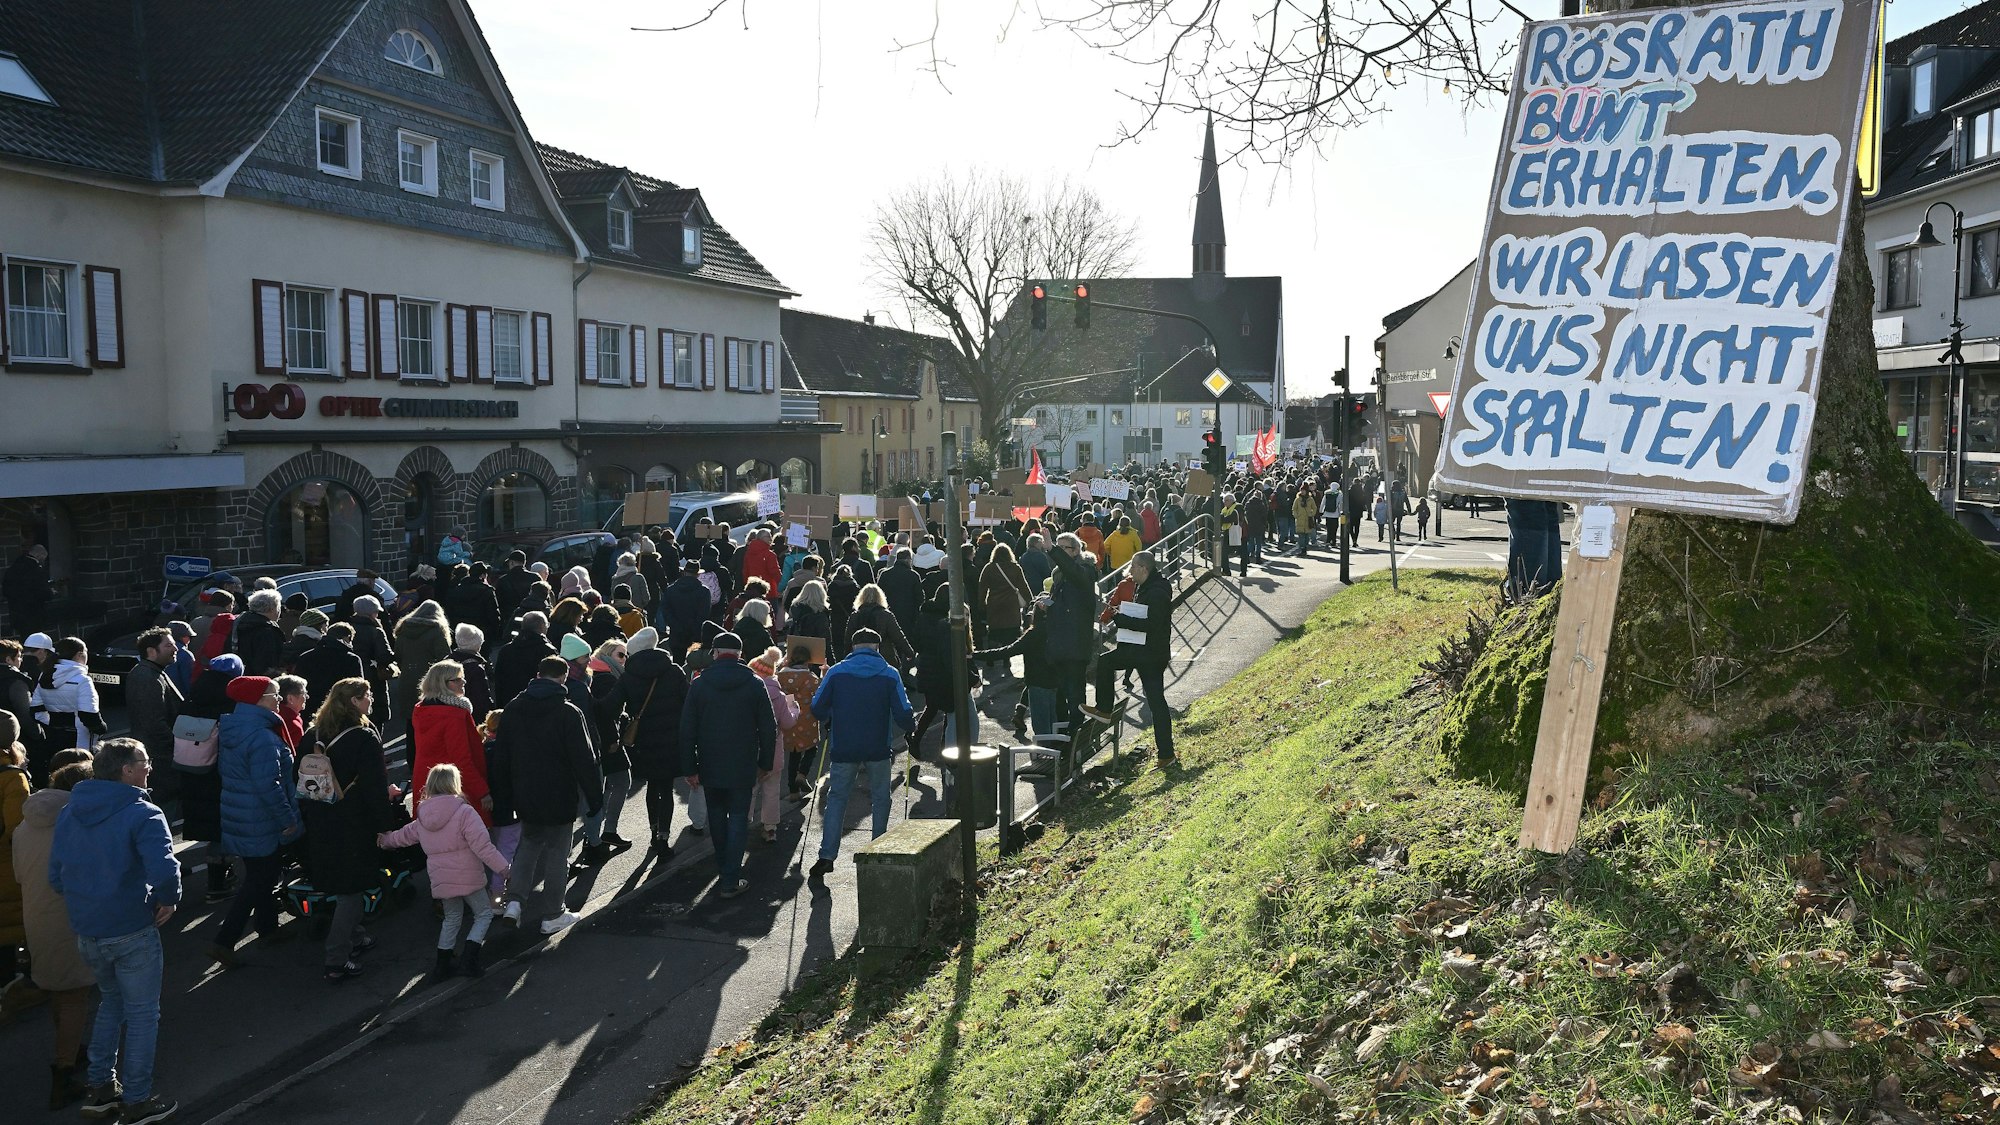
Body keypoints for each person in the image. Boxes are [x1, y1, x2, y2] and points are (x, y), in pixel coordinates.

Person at [48, 738, 181, 1125]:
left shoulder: (71, 810)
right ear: (126, 770)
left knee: (111, 1003)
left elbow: (56, 877)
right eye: (144, 761)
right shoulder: (144, 812)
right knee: (142, 1015)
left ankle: (101, 1088)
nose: (150, 767)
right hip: (130, 928)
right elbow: (165, 869)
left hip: (88, 931)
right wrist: (167, 900)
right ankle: (137, 1100)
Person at [295, 679, 393, 984]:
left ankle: (357, 935)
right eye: (368, 696)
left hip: (320, 818)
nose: (371, 701)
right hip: (353, 821)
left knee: (339, 881)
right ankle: (336, 959)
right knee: (352, 889)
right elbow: (374, 786)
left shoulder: (313, 734)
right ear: (354, 702)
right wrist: (385, 826)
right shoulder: (363, 737)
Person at [495, 655, 600, 934]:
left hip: (524, 792)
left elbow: (501, 756)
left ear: (537, 675)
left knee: (527, 846)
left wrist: (503, 797)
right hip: (559, 793)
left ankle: (515, 902)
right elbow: (584, 760)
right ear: (563, 678)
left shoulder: (514, 708)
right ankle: (553, 913)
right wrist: (594, 796)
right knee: (557, 852)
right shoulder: (568, 712)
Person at [379, 765, 511, 980]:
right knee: (483, 914)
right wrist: (504, 869)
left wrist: (384, 840)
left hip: (442, 879)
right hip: (468, 876)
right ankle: (469, 959)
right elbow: (484, 847)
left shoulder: (423, 816)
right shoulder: (464, 812)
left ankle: (443, 964)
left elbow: (403, 836)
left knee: (451, 918)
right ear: (454, 784)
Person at [14, 759, 95, 1108]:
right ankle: (63, 1073)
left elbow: (19, 874)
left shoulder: (24, 824)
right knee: (75, 993)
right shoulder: (75, 823)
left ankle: (73, 1048)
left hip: (35, 916)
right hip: (68, 917)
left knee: (57, 991)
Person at [806, 629, 913, 887]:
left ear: (853, 647)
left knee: (837, 798)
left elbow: (817, 707)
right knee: (881, 797)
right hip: (878, 745)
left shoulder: (836, 673)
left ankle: (827, 855)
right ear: (877, 647)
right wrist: (910, 725)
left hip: (844, 745)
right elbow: (903, 712)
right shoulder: (889, 673)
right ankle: (877, 848)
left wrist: (835, 711)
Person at [207, 676, 301, 969]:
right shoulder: (262, 736)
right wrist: (287, 819)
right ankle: (224, 940)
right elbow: (269, 785)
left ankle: (268, 927)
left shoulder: (234, 727)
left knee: (261, 872)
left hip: (240, 814)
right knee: (261, 878)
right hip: (261, 817)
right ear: (258, 699)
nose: (278, 699)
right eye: (274, 694)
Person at [678, 633, 775, 898]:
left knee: (717, 817)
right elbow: (768, 727)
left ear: (716, 653)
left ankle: (724, 867)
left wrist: (690, 767)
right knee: (739, 819)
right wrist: (765, 762)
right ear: (740, 654)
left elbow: (687, 729)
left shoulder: (700, 684)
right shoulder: (755, 683)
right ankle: (731, 876)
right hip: (743, 763)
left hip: (710, 761)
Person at [1081, 551, 1176, 766]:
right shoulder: (1149, 587)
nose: (1130, 571)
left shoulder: (1157, 592)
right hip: (1147, 651)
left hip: (1148, 653)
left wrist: (1121, 619)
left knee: (1106, 662)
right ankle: (1166, 754)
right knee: (1156, 703)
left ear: (1144, 568)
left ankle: (1104, 709)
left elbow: (1151, 624)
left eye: (1133, 567)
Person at [609, 628, 690, 853]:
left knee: (653, 786)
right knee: (667, 787)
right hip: (671, 737)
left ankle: (654, 830)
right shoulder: (674, 671)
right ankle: (663, 837)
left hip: (644, 740)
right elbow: (688, 703)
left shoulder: (629, 675)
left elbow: (610, 705)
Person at [410, 661, 490, 823]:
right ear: (444, 683)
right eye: (458, 679)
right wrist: (482, 791)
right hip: (452, 785)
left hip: (427, 782)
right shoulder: (454, 715)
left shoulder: (420, 709)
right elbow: (462, 759)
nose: (463, 683)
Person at [580, 637, 633, 865]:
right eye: (621, 654)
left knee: (607, 786)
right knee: (619, 783)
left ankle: (596, 835)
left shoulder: (599, 673)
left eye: (626, 655)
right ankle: (602, 833)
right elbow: (605, 713)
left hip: (602, 740)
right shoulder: (607, 678)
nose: (624, 659)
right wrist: (614, 738)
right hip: (608, 741)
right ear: (608, 654)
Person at [1044, 534, 1098, 749]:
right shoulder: (1060, 576)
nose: (1059, 551)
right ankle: (1064, 737)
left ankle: (1078, 736)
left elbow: (1076, 575)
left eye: (1063, 548)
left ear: (1075, 551)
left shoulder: (1086, 571)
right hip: (1059, 644)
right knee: (1060, 693)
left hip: (1074, 644)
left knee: (1075, 693)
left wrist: (1053, 551)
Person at [745, 647, 799, 844]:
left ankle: (743, 822)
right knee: (772, 789)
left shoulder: (747, 690)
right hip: (773, 748)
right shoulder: (778, 693)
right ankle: (769, 828)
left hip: (750, 749)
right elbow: (788, 723)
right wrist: (795, 710)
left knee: (749, 789)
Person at [33, 637, 106, 781]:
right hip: (80, 738)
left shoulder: (45, 675)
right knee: (81, 775)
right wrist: (102, 729)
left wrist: (52, 723)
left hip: (55, 735)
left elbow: (35, 709)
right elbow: (89, 715)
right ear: (79, 655)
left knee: (59, 776)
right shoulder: (83, 680)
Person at [391, 600, 452, 733]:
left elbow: (398, 656)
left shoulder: (403, 629)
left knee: (411, 723)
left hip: (406, 679)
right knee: (429, 726)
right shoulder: (437, 631)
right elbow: (445, 659)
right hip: (429, 682)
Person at [776, 644, 823, 796]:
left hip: (789, 718)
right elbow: (821, 693)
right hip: (807, 720)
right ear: (807, 661)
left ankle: (793, 792)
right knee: (812, 748)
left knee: (794, 754)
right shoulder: (810, 678)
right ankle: (802, 774)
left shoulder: (780, 676)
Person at [492, 611, 556, 707]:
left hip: (509, 702)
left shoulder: (506, 650)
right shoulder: (547, 651)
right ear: (542, 626)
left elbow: (498, 680)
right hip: (538, 704)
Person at [348, 596, 394, 727]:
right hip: (372, 677)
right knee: (375, 716)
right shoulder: (375, 631)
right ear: (371, 613)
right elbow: (384, 656)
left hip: (351, 675)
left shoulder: (348, 627)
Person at [0, 639, 44, 777]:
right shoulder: (16, 681)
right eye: (19, 657)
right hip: (16, 740)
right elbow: (25, 714)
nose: (21, 661)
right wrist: (39, 735)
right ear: (8, 659)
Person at [846, 583, 914, 668]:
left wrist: (846, 657)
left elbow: (848, 639)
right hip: (884, 658)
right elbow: (898, 636)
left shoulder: (855, 615)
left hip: (859, 658)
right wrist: (909, 652)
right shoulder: (886, 615)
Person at [661, 559, 712, 658]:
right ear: (698, 574)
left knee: (677, 662)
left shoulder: (671, 590)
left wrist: (675, 626)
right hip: (695, 635)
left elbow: (666, 611)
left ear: (684, 572)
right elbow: (704, 614)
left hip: (676, 634)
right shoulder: (704, 592)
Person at [4, 544, 53, 636]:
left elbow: (6, 591)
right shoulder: (35, 570)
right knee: (34, 642)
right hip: (33, 614)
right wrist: (51, 593)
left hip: (16, 613)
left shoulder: (14, 567)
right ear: (39, 556)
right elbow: (43, 593)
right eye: (43, 558)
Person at [493, 552, 536, 624]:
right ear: (524, 562)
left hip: (509, 618)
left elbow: (498, 601)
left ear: (512, 562)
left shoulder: (503, 580)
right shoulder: (535, 577)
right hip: (530, 617)